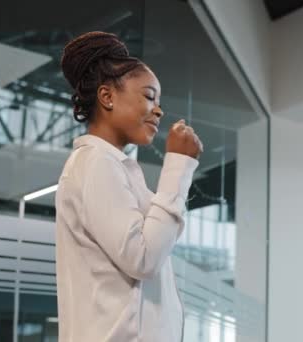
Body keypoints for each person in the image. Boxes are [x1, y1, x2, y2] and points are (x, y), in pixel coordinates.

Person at [55, 31, 203, 341]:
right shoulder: (95, 163)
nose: (159, 110)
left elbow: (156, 243)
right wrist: (178, 166)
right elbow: (144, 257)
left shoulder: (114, 168)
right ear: (107, 97)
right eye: (150, 96)